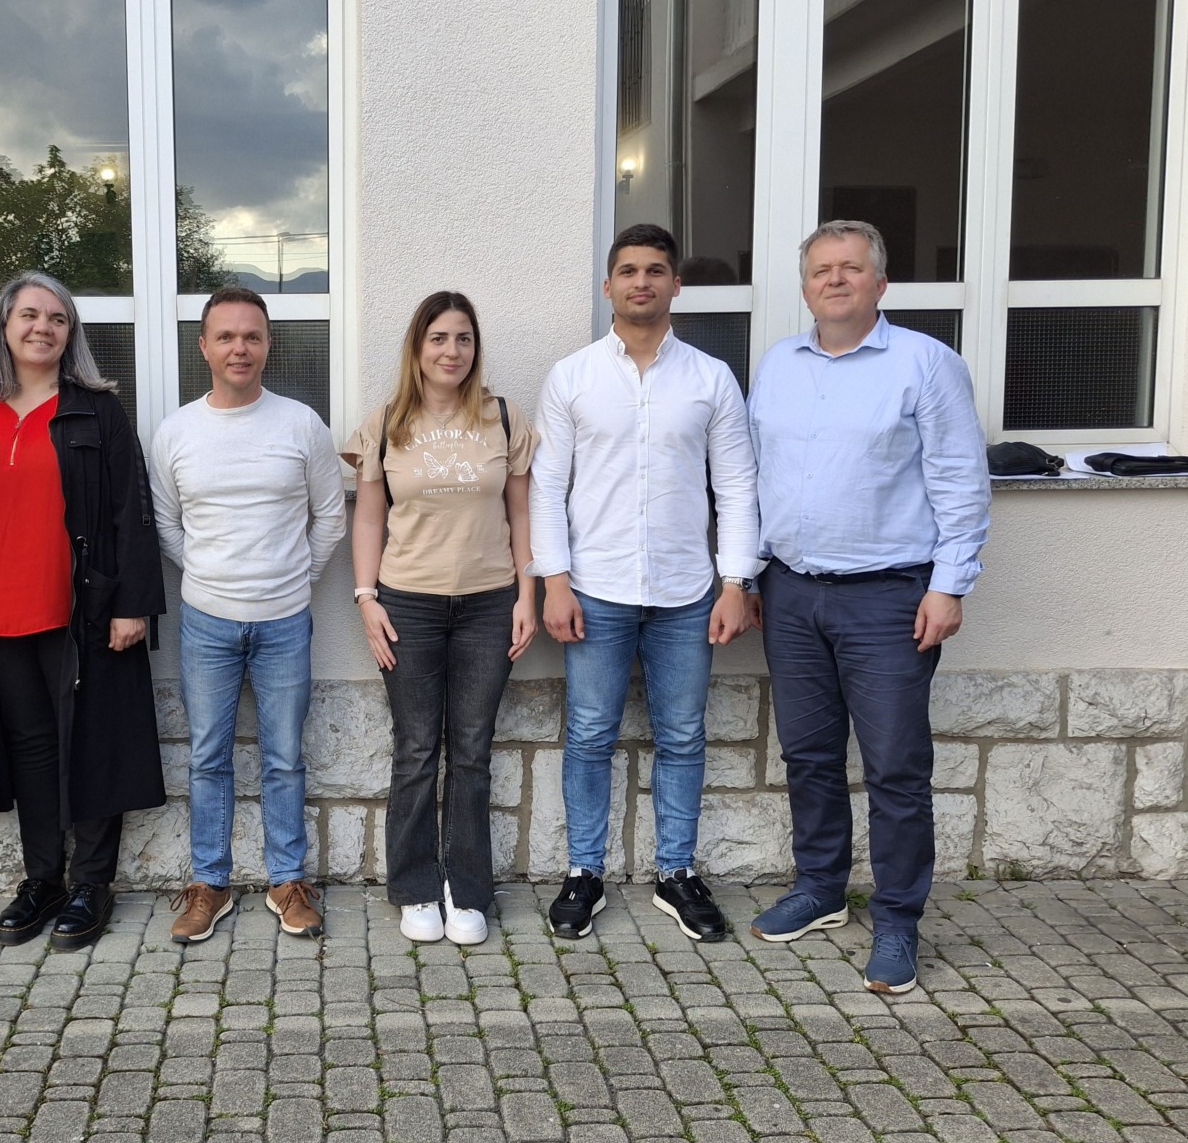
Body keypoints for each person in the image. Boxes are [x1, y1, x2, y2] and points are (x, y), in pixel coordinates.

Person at [747, 220, 989, 994]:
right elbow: (757, 477)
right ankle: (820, 890)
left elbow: (960, 479)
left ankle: (897, 921)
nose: (836, 279)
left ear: (880, 283)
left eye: (852, 268)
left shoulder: (925, 365)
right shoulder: (779, 364)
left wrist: (949, 584)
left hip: (889, 598)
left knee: (894, 768)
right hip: (791, 593)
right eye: (822, 269)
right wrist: (748, 575)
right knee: (809, 757)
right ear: (807, 284)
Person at [530, 224, 760, 944]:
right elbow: (546, 489)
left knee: (684, 734)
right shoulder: (572, 377)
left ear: (675, 285)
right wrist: (554, 582)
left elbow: (738, 486)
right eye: (628, 270)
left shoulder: (710, 378)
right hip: (594, 586)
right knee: (591, 733)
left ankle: (676, 873)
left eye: (655, 270)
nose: (641, 282)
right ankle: (584, 874)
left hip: (687, 590)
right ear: (608, 286)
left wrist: (735, 582)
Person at [0, 271, 166, 951]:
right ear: (5, 328)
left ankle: (90, 884)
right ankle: (43, 877)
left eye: (58, 319)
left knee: (93, 744)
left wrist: (133, 605)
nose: (43, 328)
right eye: (30, 316)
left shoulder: (95, 410)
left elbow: (132, 510)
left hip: (83, 612)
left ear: (70, 335)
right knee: (30, 750)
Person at [152, 286, 346, 943]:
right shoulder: (176, 432)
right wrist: (212, 578)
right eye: (226, 336)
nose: (240, 347)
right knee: (208, 755)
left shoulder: (300, 425)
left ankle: (287, 882)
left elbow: (329, 517)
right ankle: (210, 883)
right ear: (204, 346)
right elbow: (167, 525)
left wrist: (294, 577)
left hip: (286, 618)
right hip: (206, 617)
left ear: (267, 346)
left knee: (284, 756)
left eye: (252, 336)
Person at [342, 292, 537, 946]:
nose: (451, 351)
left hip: (488, 603)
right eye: (438, 339)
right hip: (408, 604)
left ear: (474, 348)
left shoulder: (502, 418)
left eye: (462, 338)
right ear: (417, 348)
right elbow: (367, 517)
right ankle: (416, 887)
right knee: (418, 749)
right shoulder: (387, 421)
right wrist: (366, 598)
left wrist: (526, 595)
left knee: (474, 751)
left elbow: (519, 513)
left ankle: (468, 889)